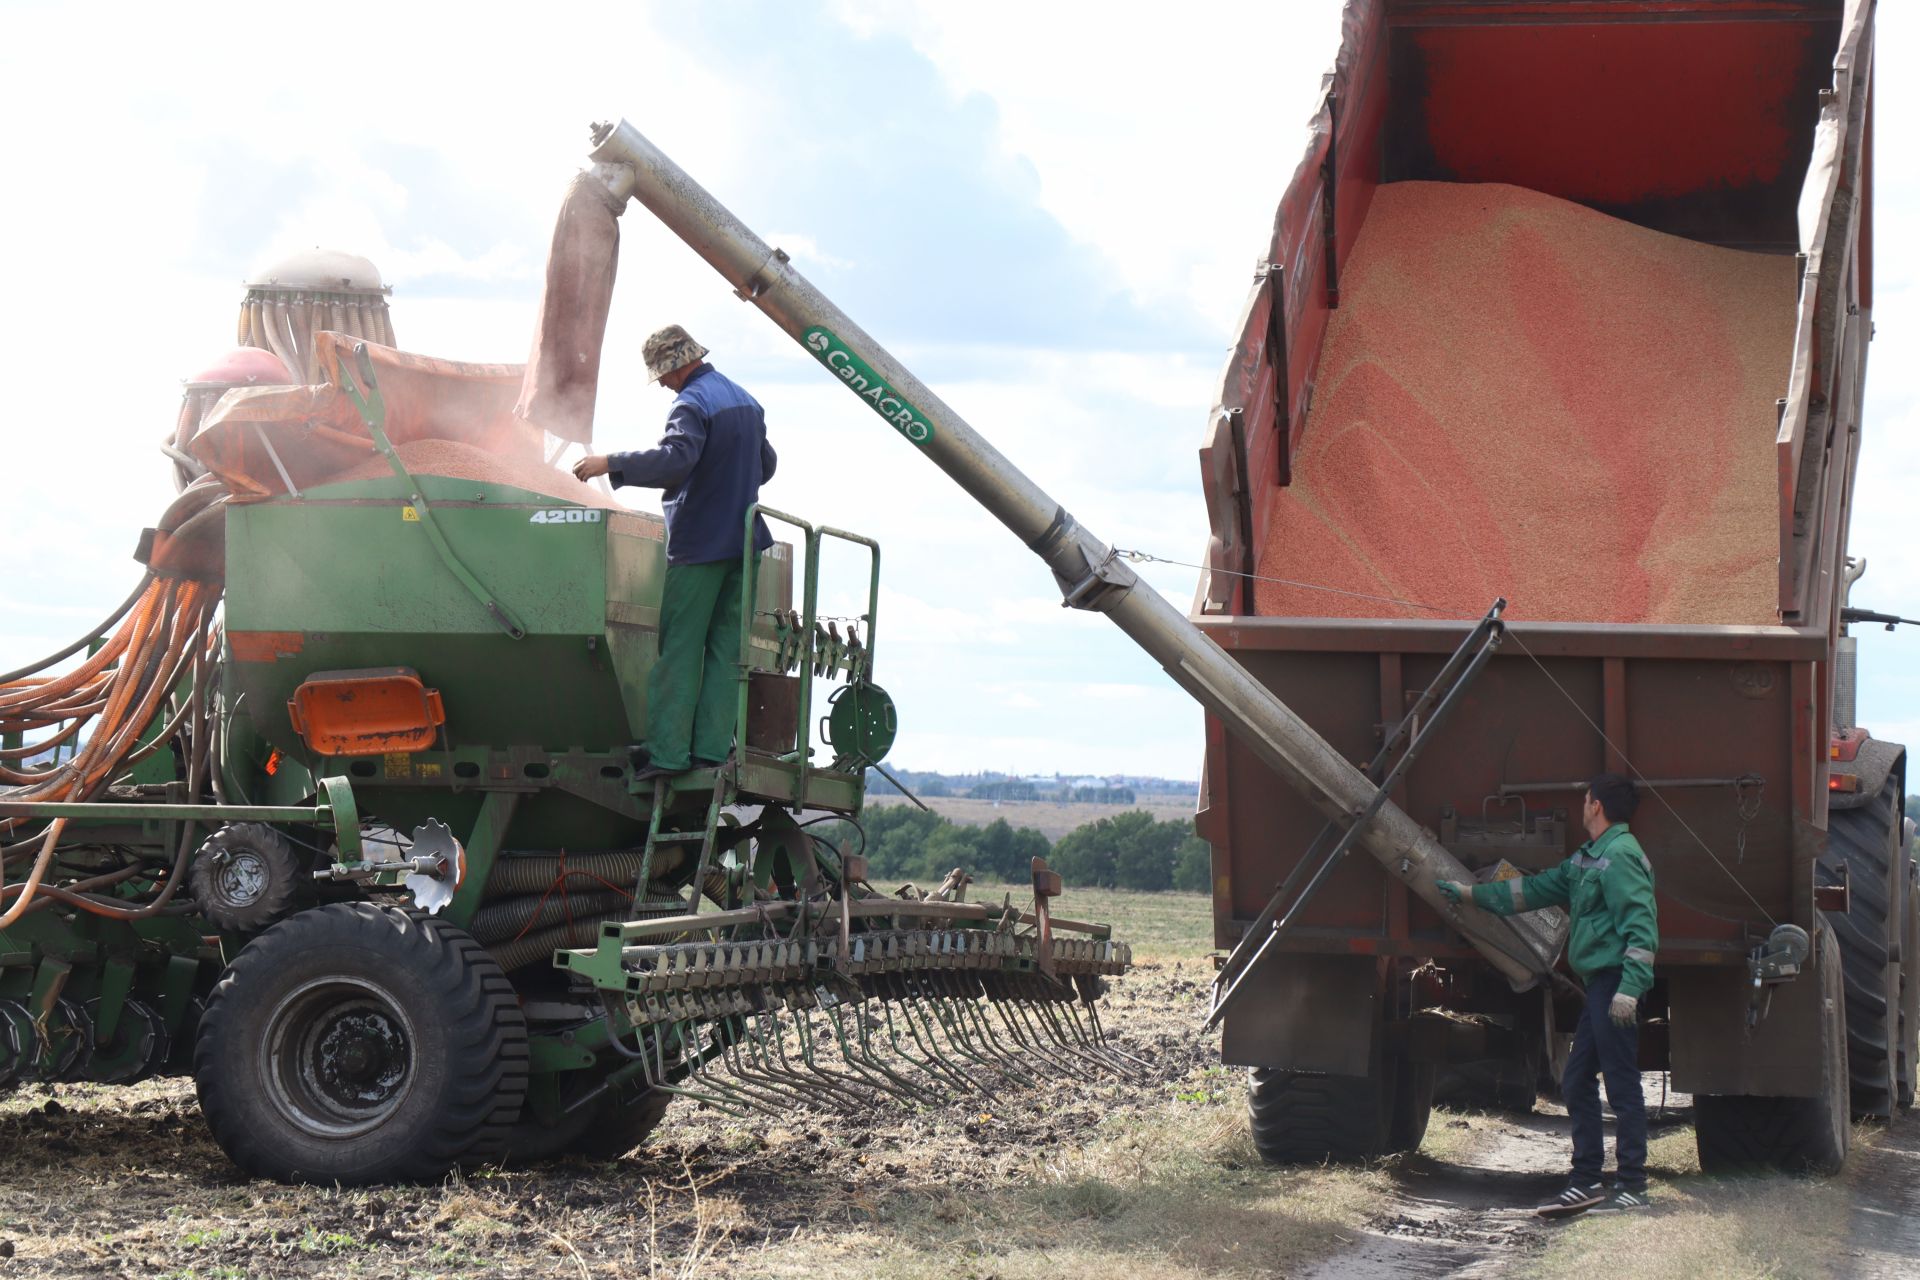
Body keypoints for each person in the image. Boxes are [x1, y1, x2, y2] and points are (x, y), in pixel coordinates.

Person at [1437, 772, 1659, 1217]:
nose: (1582, 805)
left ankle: (1632, 1185)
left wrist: (1630, 990)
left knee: (1621, 1085)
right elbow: (1532, 890)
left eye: (1585, 800)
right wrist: (1469, 893)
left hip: (1615, 985)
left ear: (1596, 806)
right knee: (1577, 1080)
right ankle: (1586, 1181)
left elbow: (1642, 927)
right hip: (1599, 985)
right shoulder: (1589, 859)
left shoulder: (1620, 856)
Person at [573, 325, 776, 782]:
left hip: (701, 543)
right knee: (726, 652)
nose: (662, 383)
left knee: (680, 648)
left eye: (662, 374)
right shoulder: (745, 400)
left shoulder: (692, 403)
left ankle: (667, 755)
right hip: (744, 544)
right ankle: (708, 751)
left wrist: (612, 462)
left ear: (677, 364)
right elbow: (767, 464)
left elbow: (676, 460)